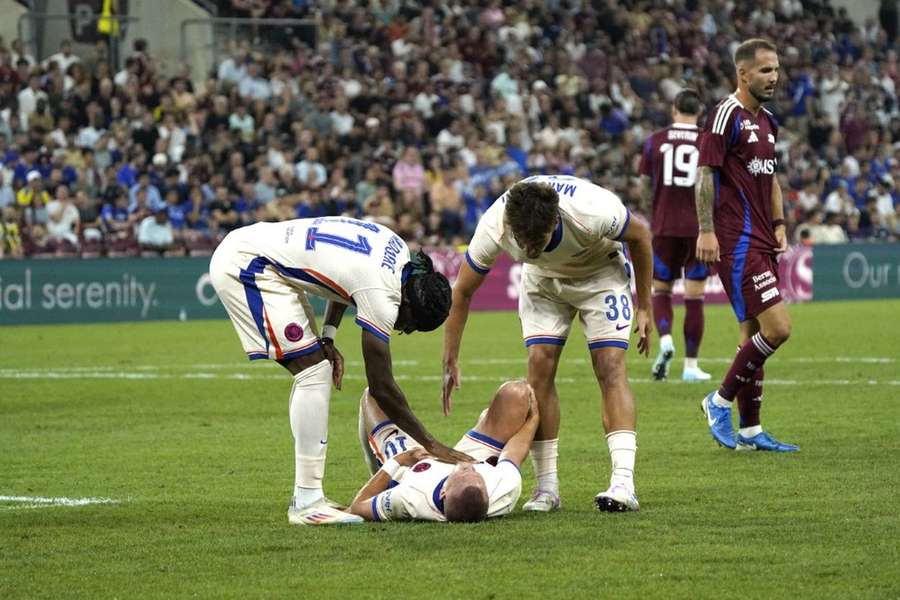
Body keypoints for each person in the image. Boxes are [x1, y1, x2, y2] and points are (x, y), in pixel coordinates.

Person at [209, 216, 470, 525]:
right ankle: (306, 501)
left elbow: (346, 284)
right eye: (410, 325)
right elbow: (381, 386)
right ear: (409, 303)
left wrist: (328, 336)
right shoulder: (383, 296)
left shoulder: (396, 249)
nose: (404, 329)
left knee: (316, 365)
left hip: (259, 246)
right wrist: (431, 444)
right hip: (249, 265)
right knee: (314, 372)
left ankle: (308, 495)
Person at [443, 175, 653, 513]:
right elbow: (462, 291)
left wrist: (645, 306)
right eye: (521, 239)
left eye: (535, 240)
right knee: (539, 367)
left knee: (610, 366)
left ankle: (623, 483)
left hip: (600, 274)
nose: (527, 249)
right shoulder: (496, 223)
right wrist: (450, 357)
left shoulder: (593, 211)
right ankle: (547, 489)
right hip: (542, 283)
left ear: (555, 221)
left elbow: (641, 236)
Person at [695, 38, 798, 452]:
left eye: (776, 70)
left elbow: (770, 178)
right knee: (778, 328)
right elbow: (705, 174)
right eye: (765, 71)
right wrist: (705, 229)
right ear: (743, 73)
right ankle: (717, 401)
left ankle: (751, 431)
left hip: (762, 238)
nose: (774, 77)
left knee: (750, 334)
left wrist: (778, 223)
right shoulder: (725, 115)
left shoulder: (769, 123)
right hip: (736, 242)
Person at [339, 380, 539, 525]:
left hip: (412, 465)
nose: (468, 468)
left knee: (375, 393)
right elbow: (516, 449)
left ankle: (377, 468)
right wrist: (534, 417)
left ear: (444, 492)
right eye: (475, 474)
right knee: (518, 393)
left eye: (463, 473)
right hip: (472, 455)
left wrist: (398, 461)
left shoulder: (410, 498)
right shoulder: (503, 488)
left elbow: (357, 507)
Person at [638, 89, 712, 382]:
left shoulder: (655, 140)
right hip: (699, 230)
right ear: (699, 111)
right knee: (695, 297)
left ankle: (666, 339)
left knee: (662, 290)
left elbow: (644, 183)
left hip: (665, 227)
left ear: (674, 110)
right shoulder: (707, 140)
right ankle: (691, 366)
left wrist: (654, 211)